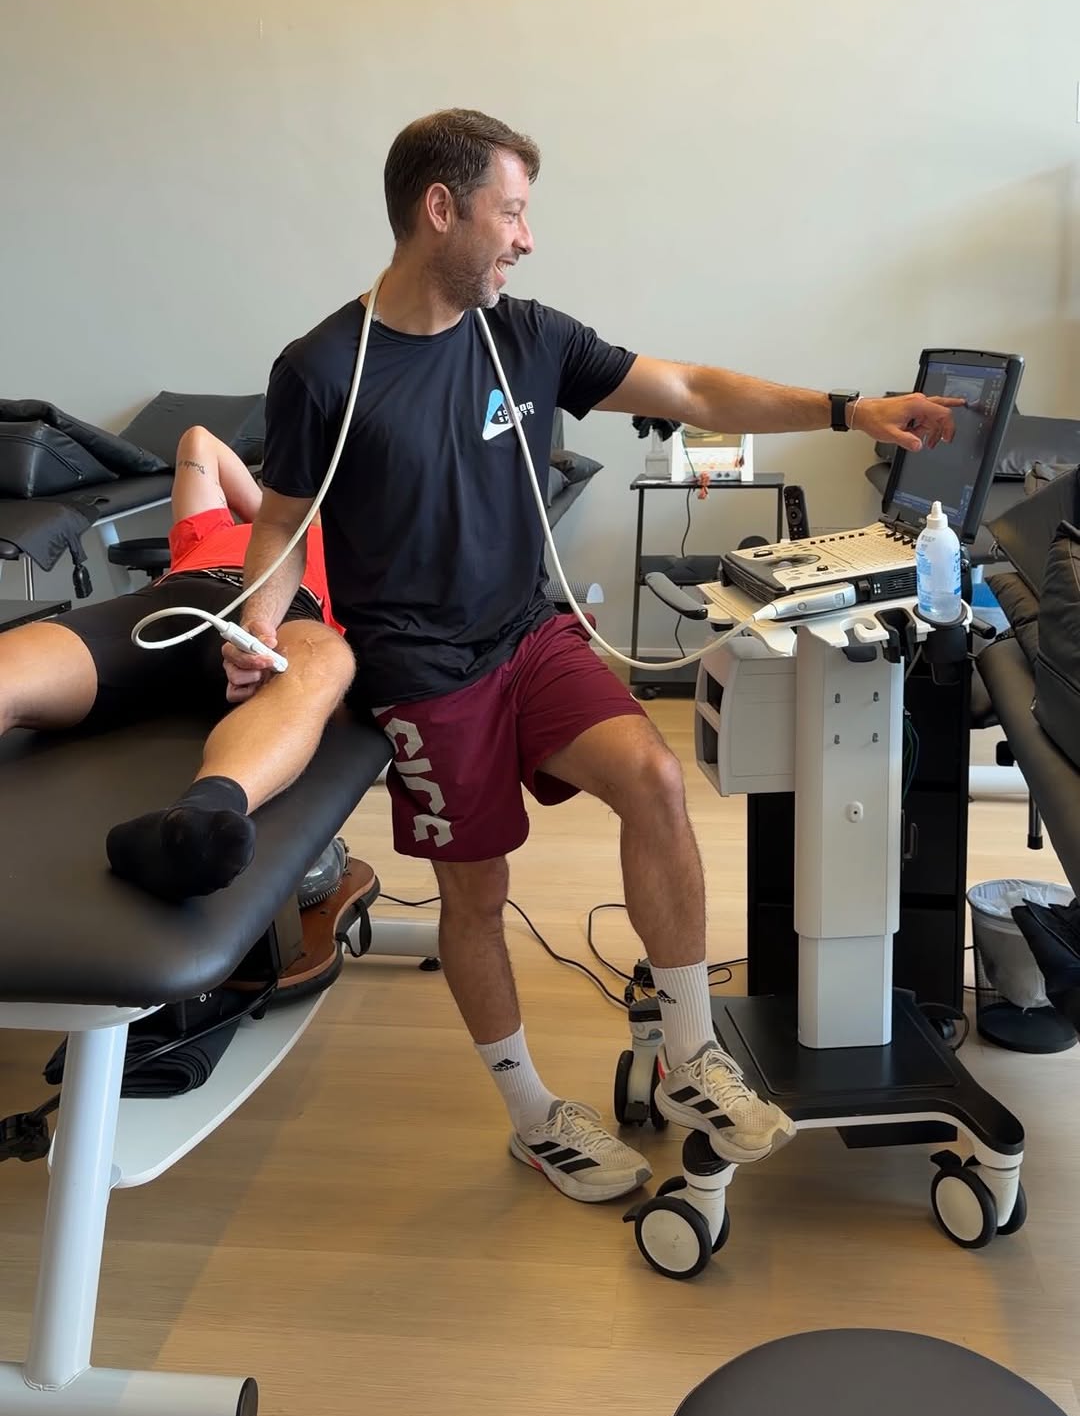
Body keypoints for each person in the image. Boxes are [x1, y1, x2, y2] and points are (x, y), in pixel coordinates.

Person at [231, 109, 962, 1205]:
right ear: (442, 209)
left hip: (529, 632)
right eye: (513, 212)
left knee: (654, 778)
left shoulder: (526, 337)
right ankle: (533, 1116)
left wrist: (850, 409)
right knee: (478, 894)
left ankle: (691, 1056)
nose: (527, 238)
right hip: (423, 670)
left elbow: (692, 391)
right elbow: (283, 524)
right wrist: (255, 632)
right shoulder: (324, 369)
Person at [0, 425, 361, 904]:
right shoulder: (222, 529)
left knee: (326, 659)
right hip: (168, 607)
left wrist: (303, 529)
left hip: (290, 618)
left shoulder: (351, 552)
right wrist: (276, 513)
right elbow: (198, 441)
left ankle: (192, 826)